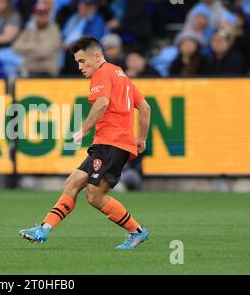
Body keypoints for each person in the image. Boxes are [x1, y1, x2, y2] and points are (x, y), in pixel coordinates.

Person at [19, 36, 151, 250]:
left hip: (111, 144)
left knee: (95, 196)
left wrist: (83, 129)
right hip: (113, 145)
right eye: (77, 62)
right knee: (72, 183)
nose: (79, 67)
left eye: (82, 61)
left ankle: (136, 231)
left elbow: (102, 103)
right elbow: (145, 108)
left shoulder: (102, 73)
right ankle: (44, 229)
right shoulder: (121, 74)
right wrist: (141, 139)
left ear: (97, 57)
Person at [12, 2, 61, 77]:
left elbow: (43, 52)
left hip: (46, 71)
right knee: (11, 79)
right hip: (27, 69)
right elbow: (15, 47)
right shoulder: (30, 29)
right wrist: (35, 47)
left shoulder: (54, 30)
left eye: (43, 14)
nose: (41, 17)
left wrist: (26, 50)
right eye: (38, 14)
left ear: (48, 15)